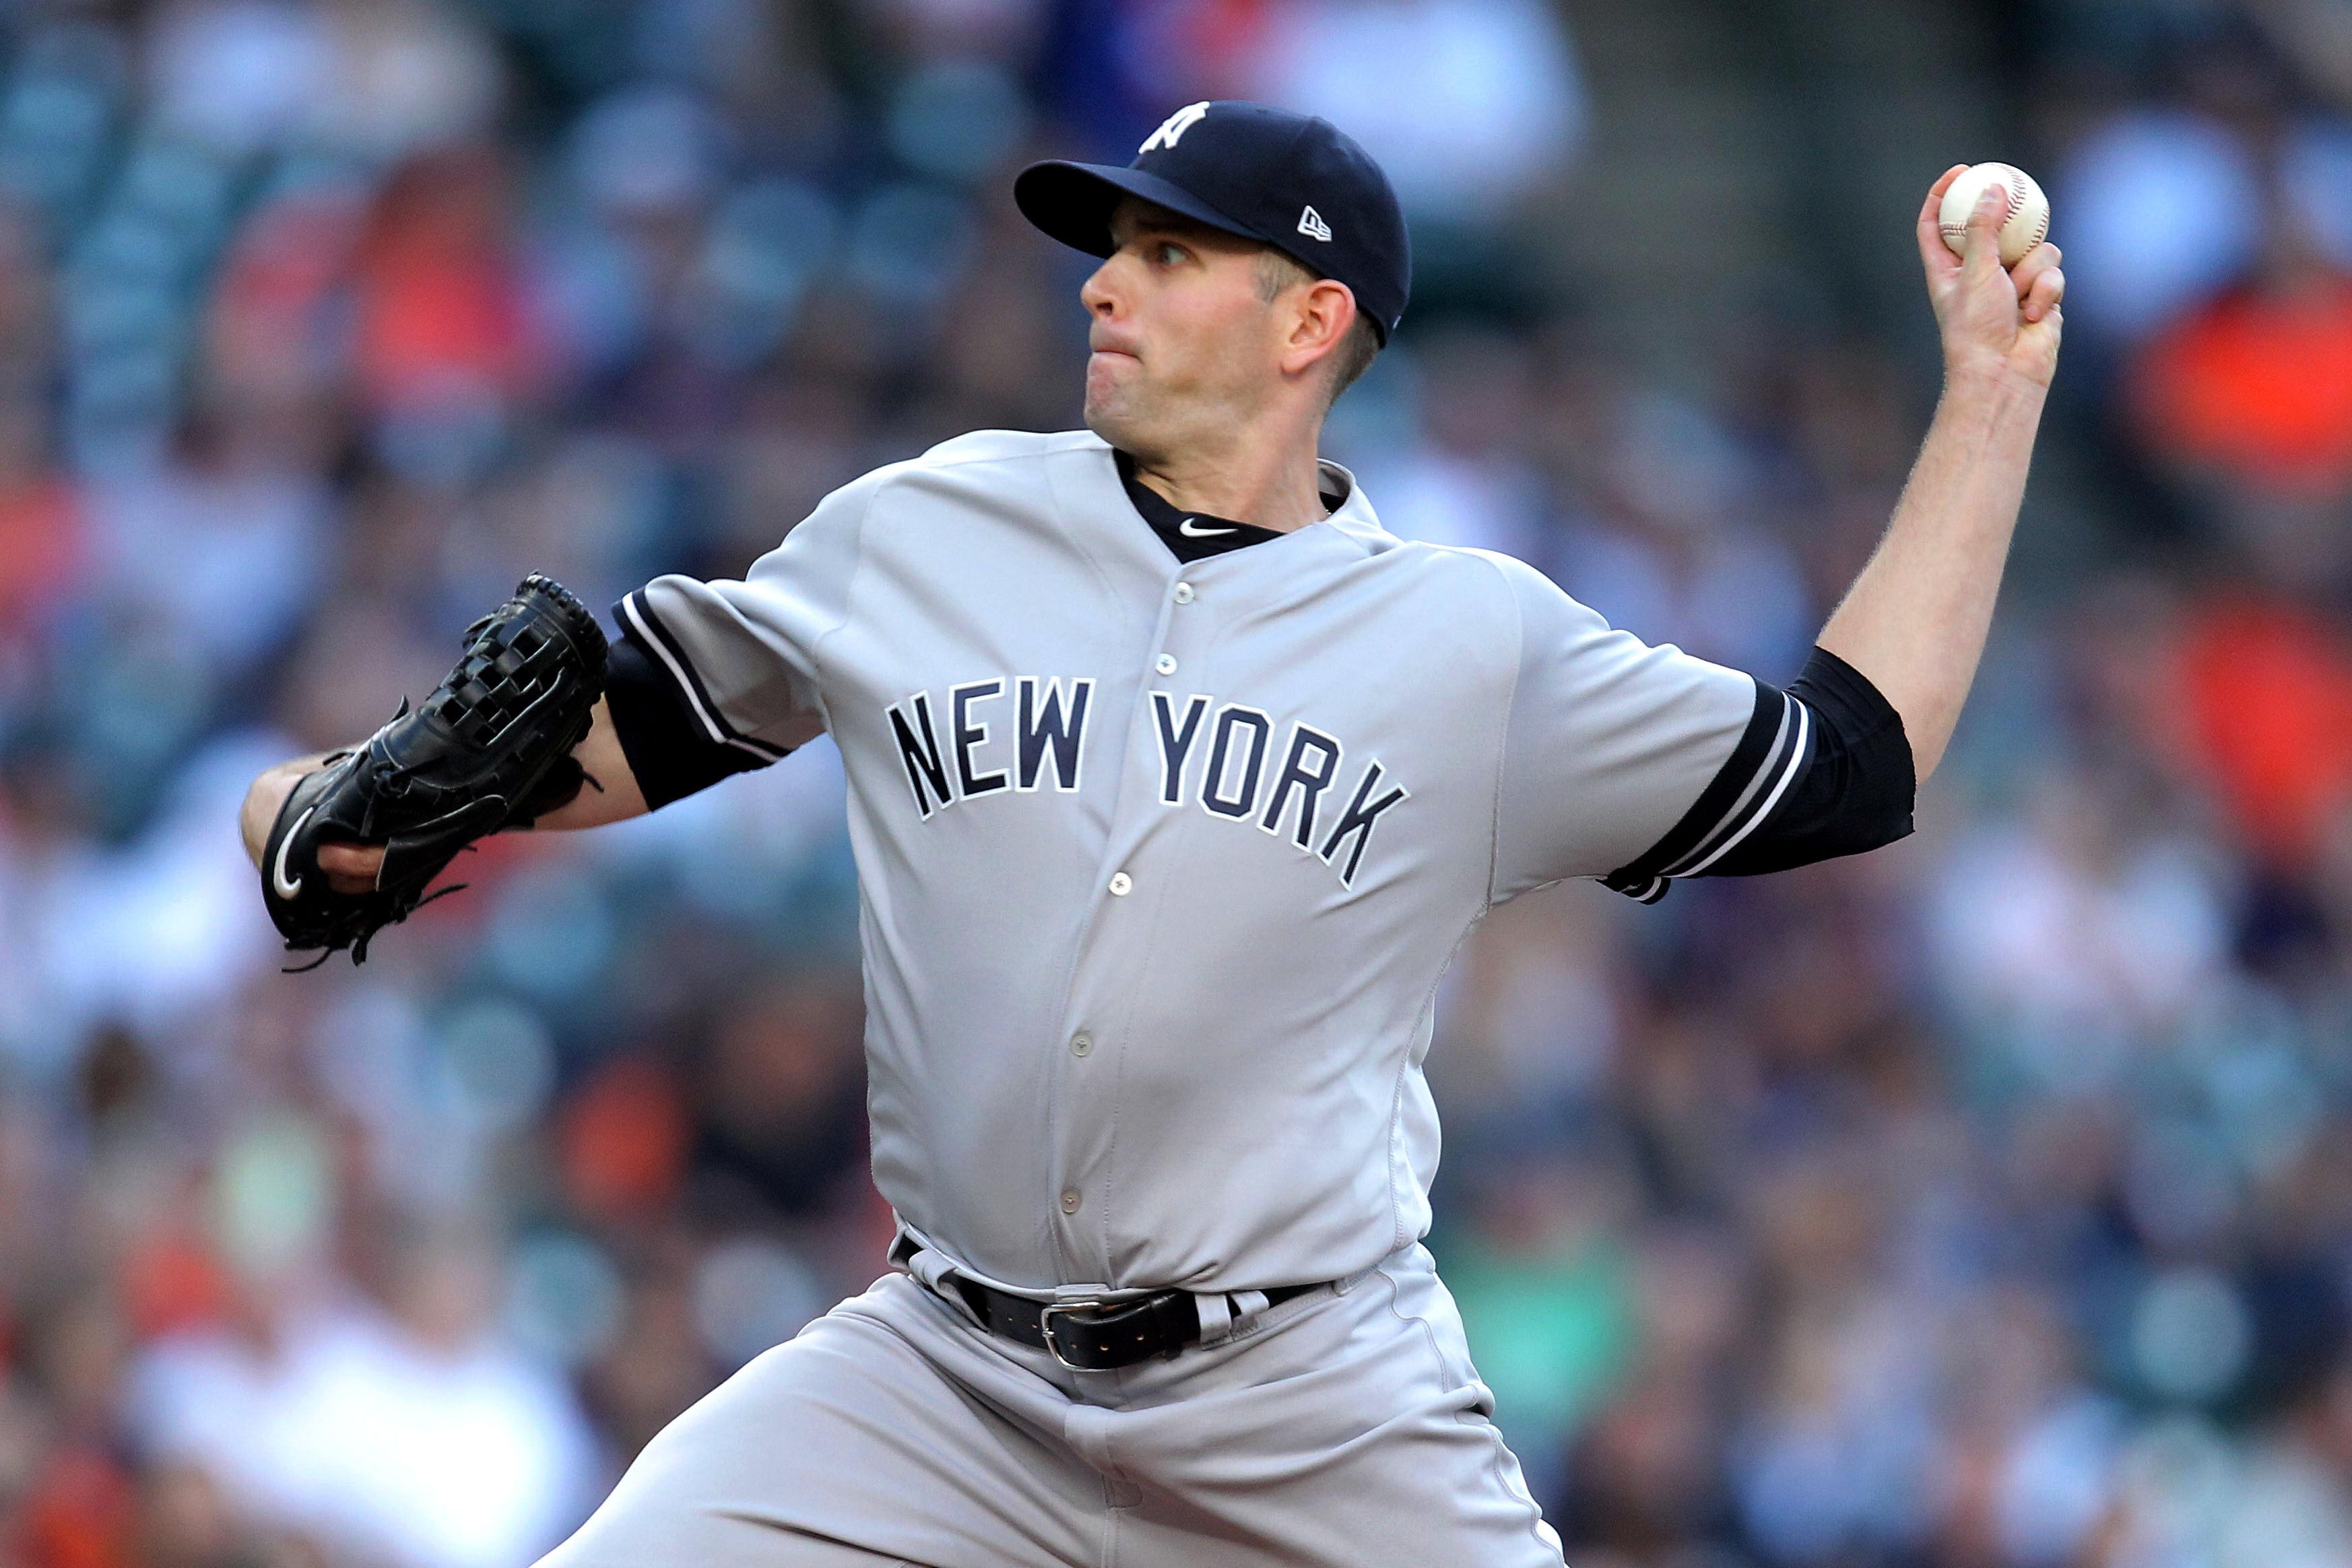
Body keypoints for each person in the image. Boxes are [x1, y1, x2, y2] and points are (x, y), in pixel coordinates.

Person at [240, 101, 2064, 1567]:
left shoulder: (1476, 644)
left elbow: (1849, 764)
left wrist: (1988, 399)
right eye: (1109, 251)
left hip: (1308, 1396)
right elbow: (613, 730)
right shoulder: (926, 526)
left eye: (1167, 254)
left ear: (1307, 320)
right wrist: (330, 808)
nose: (1106, 288)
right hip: (940, 1376)